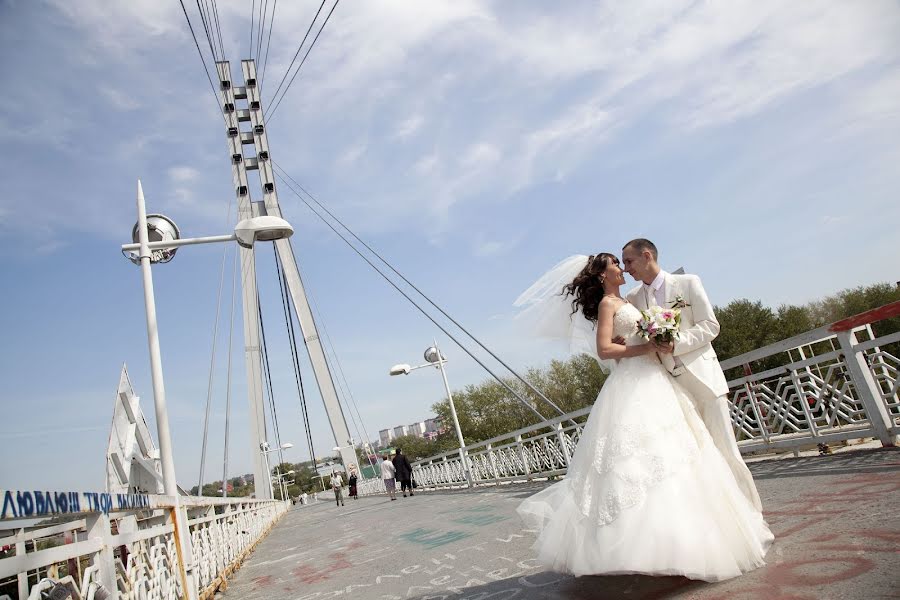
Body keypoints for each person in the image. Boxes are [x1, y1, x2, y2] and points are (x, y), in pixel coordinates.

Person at [515, 252, 773, 581]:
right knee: (646, 463)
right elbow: (605, 349)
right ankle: (654, 547)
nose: (622, 268)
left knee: (681, 457)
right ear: (601, 275)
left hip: (658, 378)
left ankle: (692, 536)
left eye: (625, 262)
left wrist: (650, 341)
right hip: (636, 384)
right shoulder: (610, 304)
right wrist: (646, 347)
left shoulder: (631, 298)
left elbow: (634, 336)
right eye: (615, 264)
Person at [621, 238, 762, 511]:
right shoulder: (634, 298)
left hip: (703, 378)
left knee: (727, 451)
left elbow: (711, 326)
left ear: (647, 255)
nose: (627, 269)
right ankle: (724, 520)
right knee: (699, 458)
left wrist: (677, 343)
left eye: (629, 261)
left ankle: (753, 517)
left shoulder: (688, 283)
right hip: (669, 388)